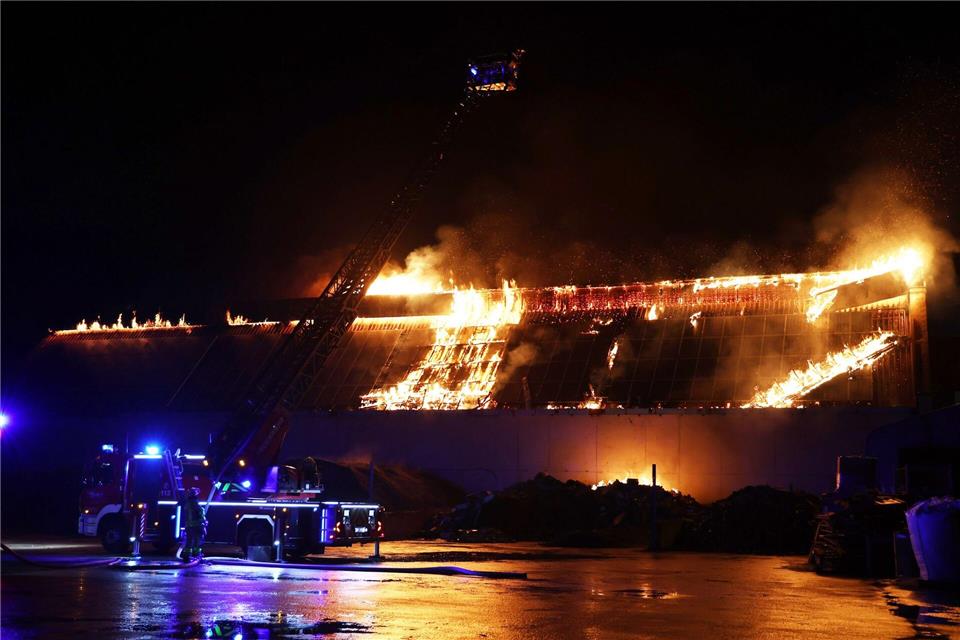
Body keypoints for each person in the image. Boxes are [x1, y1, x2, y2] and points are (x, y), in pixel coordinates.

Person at [180, 487, 207, 562]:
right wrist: (204, 521)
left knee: (189, 541)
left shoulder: (187, 504)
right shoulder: (195, 504)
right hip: (197, 526)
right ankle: (196, 555)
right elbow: (200, 514)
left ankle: (186, 556)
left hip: (189, 526)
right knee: (197, 541)